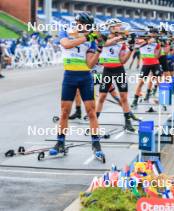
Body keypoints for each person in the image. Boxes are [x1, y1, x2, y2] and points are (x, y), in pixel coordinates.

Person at [51, 12, 105, 161]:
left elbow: (90, 64)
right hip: (69, 76)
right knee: (64, 112)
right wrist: (87, 37)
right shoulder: (66, 32)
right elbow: (66, 44)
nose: (86, 28)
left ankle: (96, 144)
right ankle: (60, 142)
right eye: (84, 25)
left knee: (91, 112)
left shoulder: (90, 39)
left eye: (88, 26)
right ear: (78, 22)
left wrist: (99, 48)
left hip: (85, 77)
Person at [96, 18, 137, 133]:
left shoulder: (121, 42)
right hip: (107, 70)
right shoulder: (104, 37)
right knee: (102, 97)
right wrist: (120, 38)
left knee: (123, 97)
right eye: (118, 26)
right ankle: (94, 122)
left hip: (119, 69)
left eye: (120, 26)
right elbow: (105, 43)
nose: (120, 28)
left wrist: (130, 49)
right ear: (111, 28)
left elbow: (123, 60)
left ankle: (127, 123)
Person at [131, 31, 161, 108]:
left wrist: (159, 46)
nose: (152, 37)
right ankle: (135, 100)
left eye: (152, 36)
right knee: (141, 83)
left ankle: (162, 99)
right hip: (145, 65)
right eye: (150, 35)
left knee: (159, 82)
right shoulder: (140, 41)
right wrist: (148, 41)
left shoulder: (155, 43)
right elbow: (138, 45)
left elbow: (157, 56)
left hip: (155, 64)